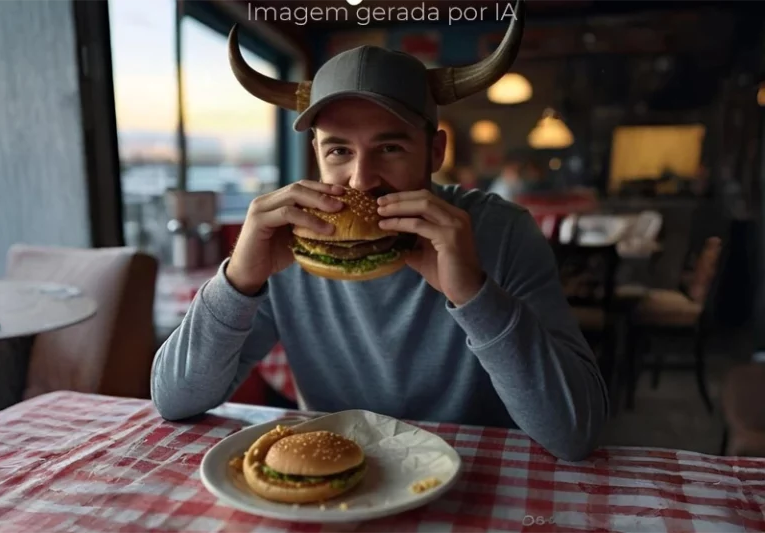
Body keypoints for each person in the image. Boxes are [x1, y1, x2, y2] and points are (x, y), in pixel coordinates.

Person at [151, 2, 609, 461]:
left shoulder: (503, 231)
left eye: (390, 147)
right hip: (343, 477)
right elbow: (174, 400)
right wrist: (237, 282)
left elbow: (576, 432)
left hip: (478, 480)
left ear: (435, 152)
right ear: (315, 154)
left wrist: (474, 294)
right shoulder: (289, 239)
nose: (360, 179)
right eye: (338, 151)